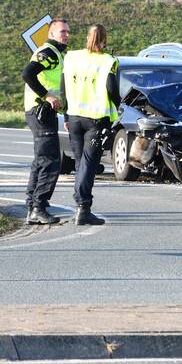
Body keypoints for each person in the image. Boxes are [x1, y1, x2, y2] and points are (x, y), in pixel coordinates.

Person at [61, 24, 119, 226]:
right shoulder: (108, 61)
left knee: (80, 163)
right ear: (104, 40)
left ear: (87, 38)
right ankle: (83, 207)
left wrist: (66, 114)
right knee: (88, 164)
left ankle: (81, 206)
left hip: (74, 116)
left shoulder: (72, 57)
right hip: (95, 118)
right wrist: (119, 106)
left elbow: (63, 86)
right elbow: (112, 89)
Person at [21, 18, 70, 225]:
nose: (66, 35)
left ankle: (33, 204)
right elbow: (28, 73)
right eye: (62, 32)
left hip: (44, 112)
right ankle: (38, 207)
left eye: (68, 32)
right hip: (40, 110)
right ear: (51, 34)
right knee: (50, 160)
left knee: (41, 159)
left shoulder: (58, 53)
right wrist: (46, 96)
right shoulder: (49, 52)